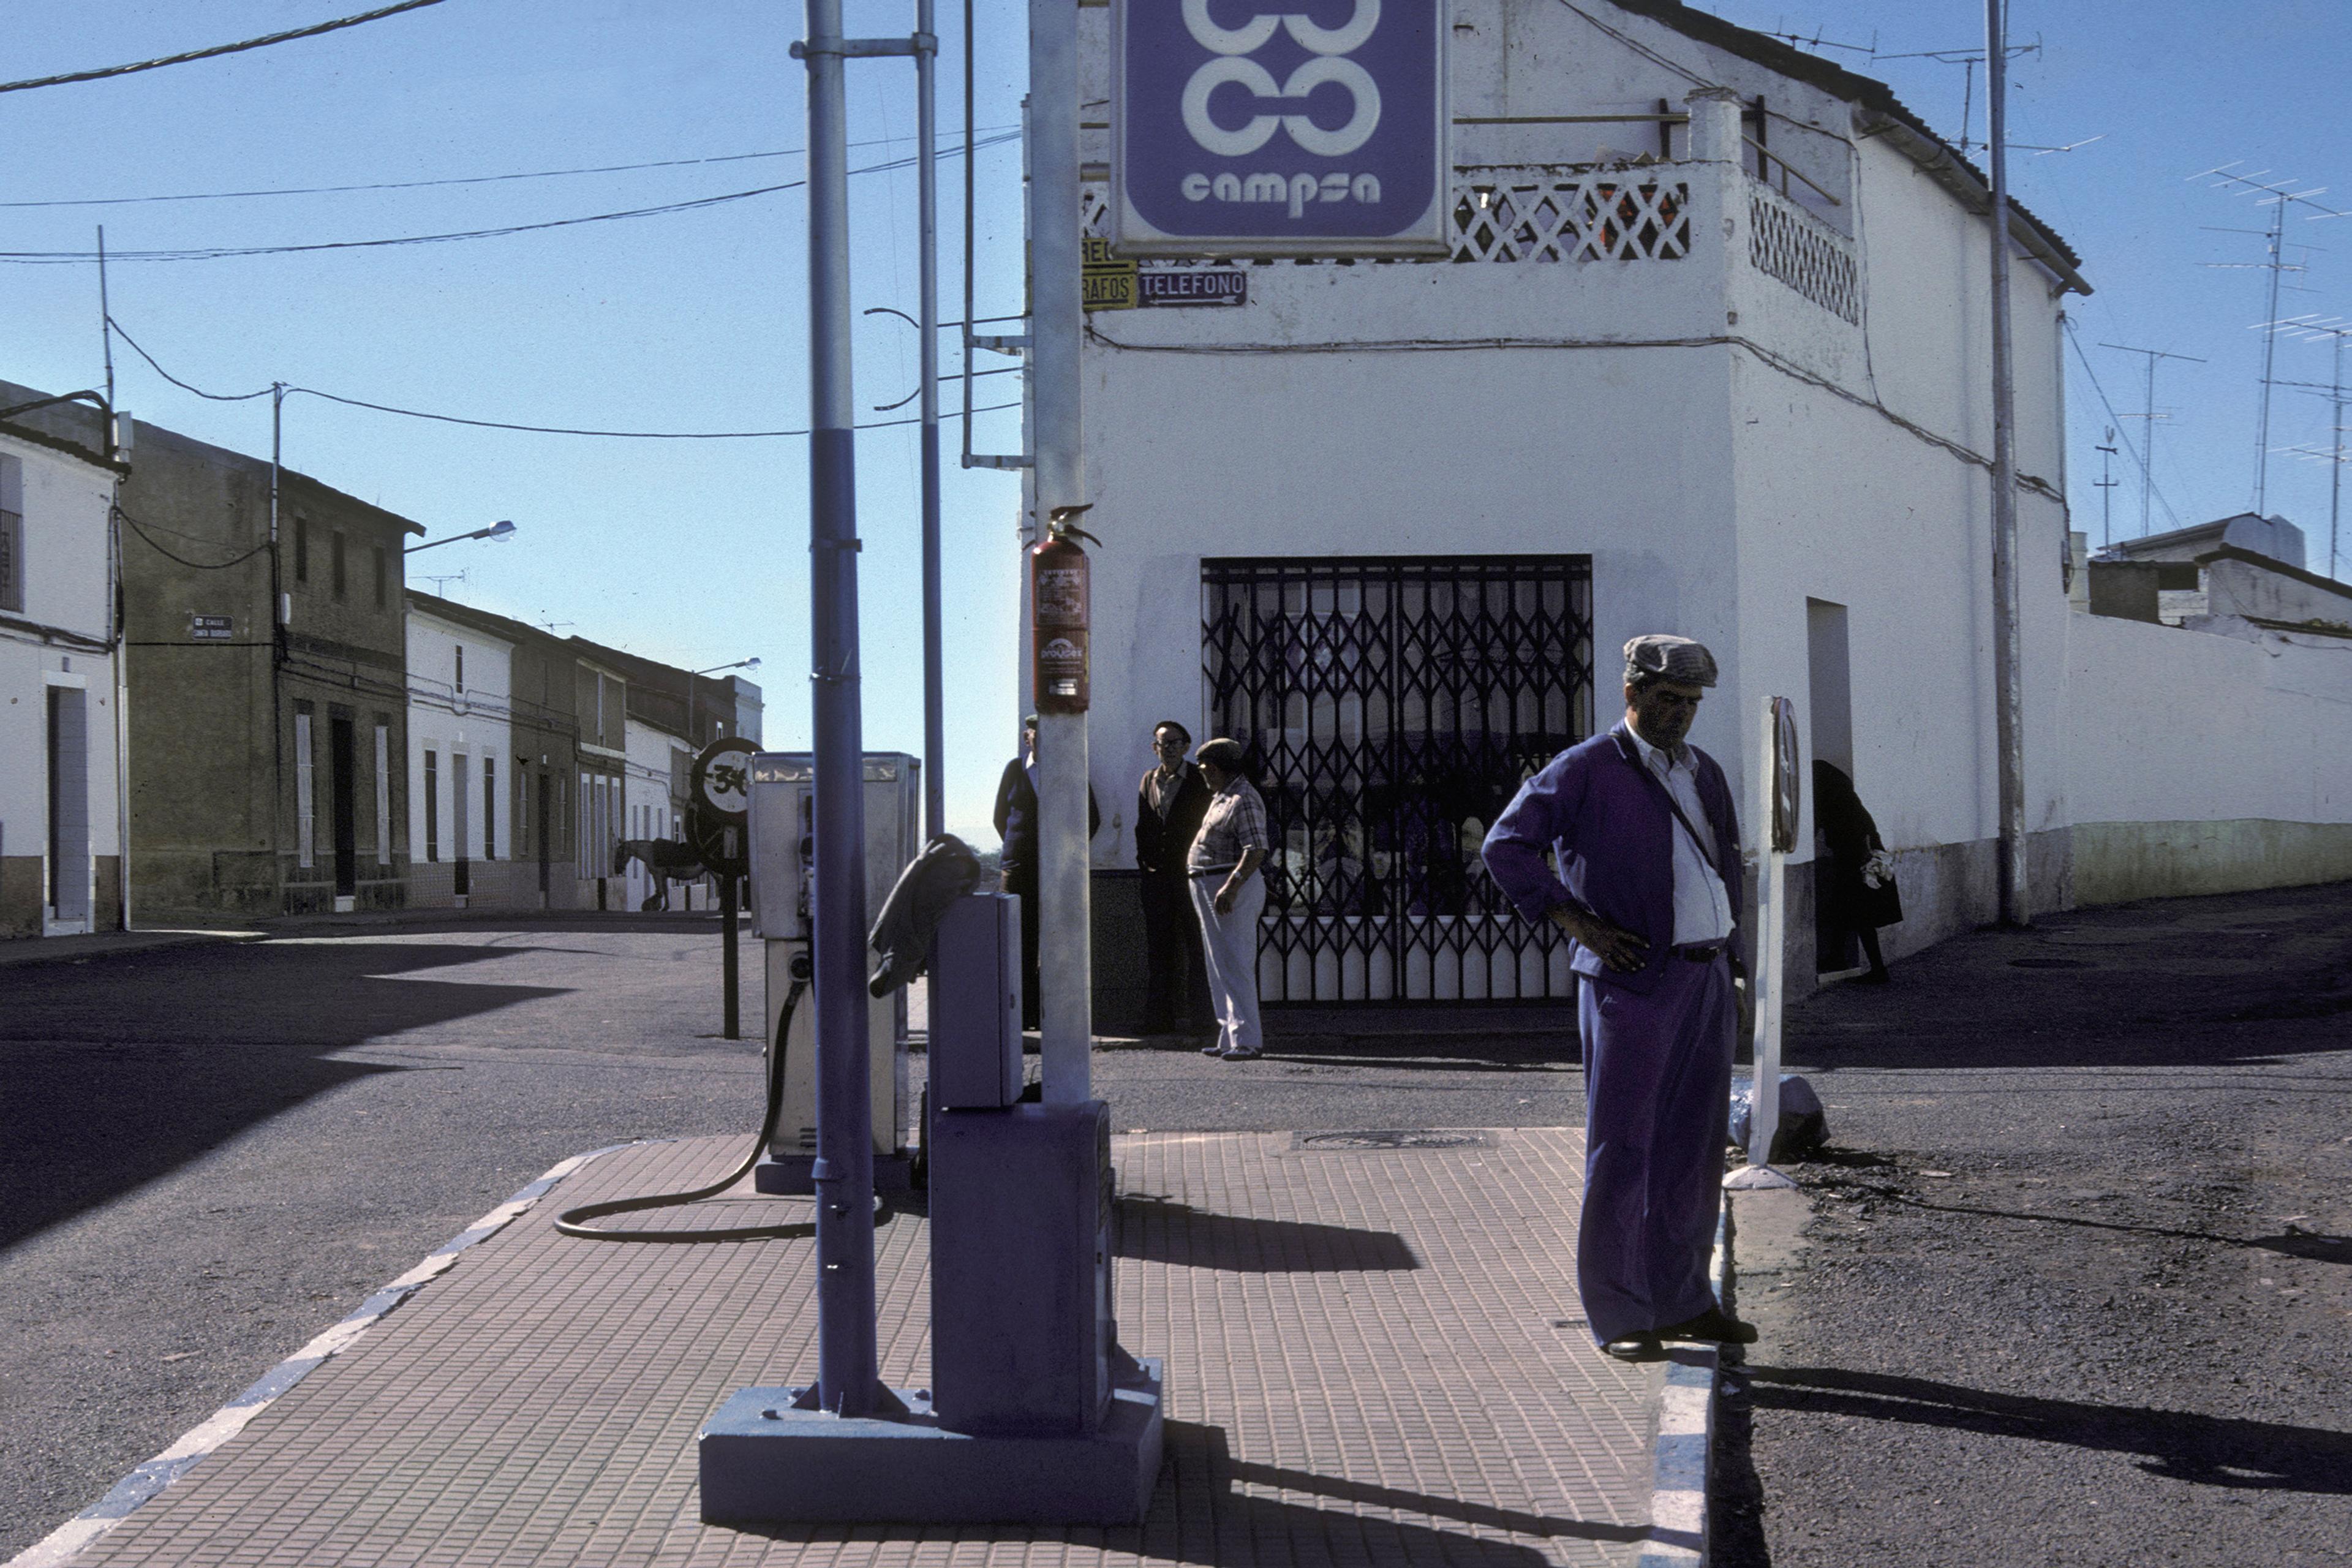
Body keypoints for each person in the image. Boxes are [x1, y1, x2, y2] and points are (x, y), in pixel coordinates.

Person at [1480, 634, 1758, 1362]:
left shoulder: (1706, 773)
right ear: (1631, 694)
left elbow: (1728, 871)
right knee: (1624, 1147)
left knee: (1695, 1147)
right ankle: (1621, 1314)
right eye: (1668, 700)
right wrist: (1574, 919)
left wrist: (1739, 968)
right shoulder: (1585, 769)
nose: (1680, 716)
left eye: (1692, 704)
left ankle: (1685, 1299)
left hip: (1704, 977)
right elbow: (1505, 846)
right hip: (1632, 982)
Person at [992, 714, 1100, 1029]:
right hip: (1019, 870)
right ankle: (1023, 1015)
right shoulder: (1014, 770)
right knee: (1019, 942)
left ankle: (1054, 1014)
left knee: (1058, 942)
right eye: (1036, 735)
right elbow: (1001, 817)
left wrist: (1064, 853)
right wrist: (1023, 848)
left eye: (1049, 735)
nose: (1042, 740)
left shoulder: (1072, 769)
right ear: (1028, 739)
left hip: (1060, 871)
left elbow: (1090, 819)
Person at [1187, 737, 1270, 1061]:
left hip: (1227, 886)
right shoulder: (1222, 796)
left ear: (1222, 767)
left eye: (1206, 768)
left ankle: (1248, 1039)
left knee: (1235, 962)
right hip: (1210, 884)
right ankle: (1229, 1035)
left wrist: (1232, 885)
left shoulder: (1243, 798)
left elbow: (1256, 848)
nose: (1203, 774)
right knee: (1219, 964)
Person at [1134, 720, 1212, 1036]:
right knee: (1160, 949)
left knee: (1197, 947)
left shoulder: (1199, 779)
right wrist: (1145, 864)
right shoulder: (1148, 780)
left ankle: (1203, 1021)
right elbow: (1144, 825)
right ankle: (1159, 1019)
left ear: (1185, 746)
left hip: (1192, 875)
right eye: (1160, 744)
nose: (1165, 749)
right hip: (1157, 878)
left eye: (1172, 743)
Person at [1812, 759, 1902, 984]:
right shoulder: (1850, 805)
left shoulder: (1837, 806)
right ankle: (1840, 958)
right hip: (1857, 862)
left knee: (1858, 915)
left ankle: (1876, 969)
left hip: (1856, 864)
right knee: (1845, 911)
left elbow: (1827, 828)